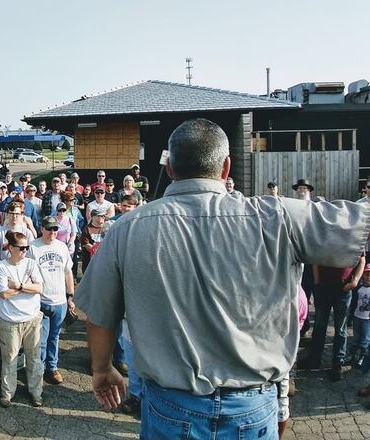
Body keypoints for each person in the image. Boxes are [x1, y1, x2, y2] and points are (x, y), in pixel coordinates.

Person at [75, 118, 369, 438]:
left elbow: (99, 315)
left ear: (170, 167)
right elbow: (357, 223)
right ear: (226, 168)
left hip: (171, 406)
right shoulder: (279, 216)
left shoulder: (128, 228)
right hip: (252, 406)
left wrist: (102, 369)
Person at [0, 231, 44, 408]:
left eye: (27, 247)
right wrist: (26, 289)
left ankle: (36, 393)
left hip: (32, 319)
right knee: (10, 358)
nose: (25, 251)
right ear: (11, 248)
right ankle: (7, 393)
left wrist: (19, 286)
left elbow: (40, 287)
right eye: (21, 248)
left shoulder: (31, 263)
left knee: (34, 357)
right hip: (10, 321)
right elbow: (4, 294)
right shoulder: (2, 267)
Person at [300, 258, 366, 380]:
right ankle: (314, 360)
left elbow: (361, 258)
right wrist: (317, 281)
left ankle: (337, 365)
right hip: (323, 286)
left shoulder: (353, 237)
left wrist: (355, 281)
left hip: (343, 288)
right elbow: (317, 256)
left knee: (340, 329)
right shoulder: (325, 237)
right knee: (319, 325)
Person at [28, 217, 75, 386]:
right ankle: (38, 371)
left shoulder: (62, 247)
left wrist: (70, 296)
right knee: (40, 339)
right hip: (41, 300)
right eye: (49, 229)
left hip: (60, 300)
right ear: (42, 229)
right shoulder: (33, 247)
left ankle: (52, 368)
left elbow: (68, 272)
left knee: (54, 337)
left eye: (55, 229)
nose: (53, 232)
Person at [80, 208, 107, 273]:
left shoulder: (107, 228)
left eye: (104, 216)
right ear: (93, 217)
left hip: (104, 262)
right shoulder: (87, 229)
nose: (103, 217)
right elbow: (87, 245)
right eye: (101, 216)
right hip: (90, 263)